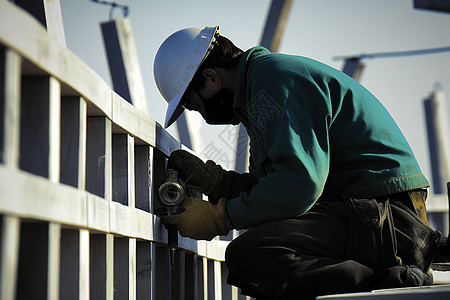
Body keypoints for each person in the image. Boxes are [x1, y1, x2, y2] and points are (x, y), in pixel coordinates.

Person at [153, 26, 441, 299]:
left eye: (193, 104)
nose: (201, 115)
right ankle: (384, 277)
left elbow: (299, 184)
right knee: (266, 259)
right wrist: (219, 183)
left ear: (211, 78)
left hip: (387, 220)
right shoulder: (261, 89)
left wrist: (221, 217)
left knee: (252, 254)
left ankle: (392, 281)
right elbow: (273, 188)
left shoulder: (274, 80)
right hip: (371, 216)